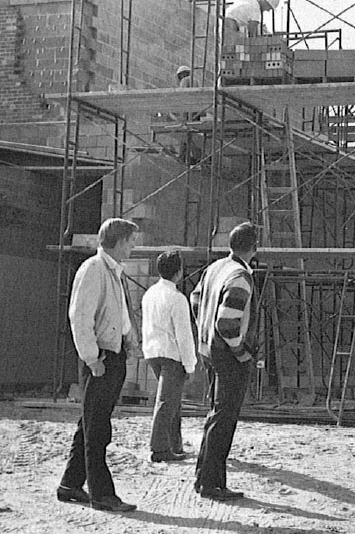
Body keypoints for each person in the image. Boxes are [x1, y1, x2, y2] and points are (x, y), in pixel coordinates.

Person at [57, 218, 140, 513]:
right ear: (117, 241)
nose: (133, 246)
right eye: (131, 241)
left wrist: (129, 340)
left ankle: (70, 483)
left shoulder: (113, 271)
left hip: (112, 355)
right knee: (98, 429)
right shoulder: (94, 269)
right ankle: (102, 494)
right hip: (101, 358)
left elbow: (117, 314)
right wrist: (92, 359)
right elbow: (80, 318)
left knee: (90, 422)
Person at [191, 222, 258, 500]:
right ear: (254, 248)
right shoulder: (240, 276)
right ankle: (211, 483)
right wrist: (241, 352)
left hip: (209, 350)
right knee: (224, 418)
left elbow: (195, 299)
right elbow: (228, 323)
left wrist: (203, 328)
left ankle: (205, 478)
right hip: (228, 354)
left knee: (215, 414)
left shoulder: (214, 268)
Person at [142, 250, 197, 463]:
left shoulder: (149, 294)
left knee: (172, 401)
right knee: (167, 402)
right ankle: (159, 448)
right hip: (171, 354)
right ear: (179, 272)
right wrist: (190, 365)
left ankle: (175, 443)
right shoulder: (177, 298)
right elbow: (184, 335)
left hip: (152, 351)